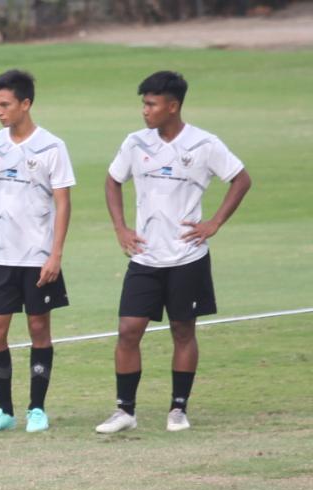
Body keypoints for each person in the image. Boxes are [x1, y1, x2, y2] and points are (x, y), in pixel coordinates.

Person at [97, 71, 251, 434]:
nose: (144, 111)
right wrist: (120, 227)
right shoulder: (136, 143)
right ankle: (125, 411)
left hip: (187, 257)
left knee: (183, 331)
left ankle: (178, 409)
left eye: (151, 104)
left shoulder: (204, 144)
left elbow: (241, 179)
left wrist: (214, 222)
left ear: (173, 106)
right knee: (127, 330)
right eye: (143, 103)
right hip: (145, 257)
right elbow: (112, 180)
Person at [0, 69, 75, 433]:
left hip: (37, 256)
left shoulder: (52, 147)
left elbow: (63, 202)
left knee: (38, 328)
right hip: (0, 255)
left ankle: (37, 409)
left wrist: (55, 254)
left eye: (5, 104)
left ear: (25, 104)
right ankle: (3, 410)